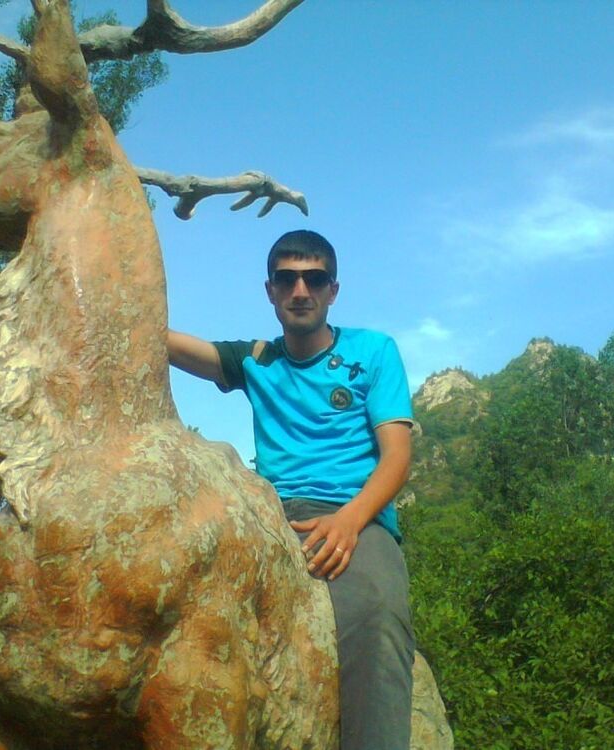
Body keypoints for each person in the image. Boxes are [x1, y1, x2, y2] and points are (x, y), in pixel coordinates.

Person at [167, 229, 415, 749]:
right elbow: (174, 345)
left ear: (333, 290)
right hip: (269, 512)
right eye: (287, 279)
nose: (301, 290)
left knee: (377, 615)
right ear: (271, 291)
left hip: (354, 513)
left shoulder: (374, 351)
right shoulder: (257, 360)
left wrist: (350, 521)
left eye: (314, 279)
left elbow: (397, 457)